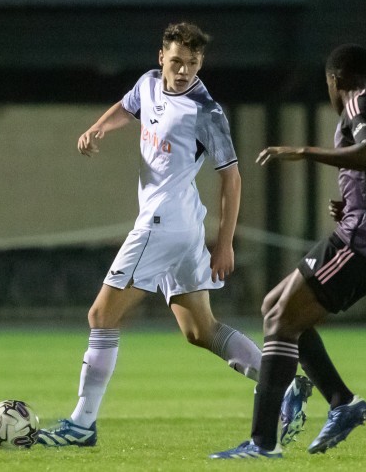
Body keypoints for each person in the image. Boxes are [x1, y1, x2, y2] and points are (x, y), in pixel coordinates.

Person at [37, 22, 310, 447]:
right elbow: (124, 110)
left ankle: (81, 424)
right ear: (161, 56)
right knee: (201, 330)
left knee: (100, 316)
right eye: (178, 61)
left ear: (201, 64)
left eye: (193, 64)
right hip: (180, 225)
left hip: (163, 224)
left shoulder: (206, 111)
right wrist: (96, 130)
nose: (184, 71)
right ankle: (287, 387)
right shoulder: (147, 85)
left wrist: (225, 243)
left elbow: (232, 178)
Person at [210, 44, 366, 459]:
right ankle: (340, 402)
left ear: (334, 80)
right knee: (273, 307)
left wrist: (302, 152)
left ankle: (264, 443)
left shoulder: (359, 102)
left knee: (282, 320)